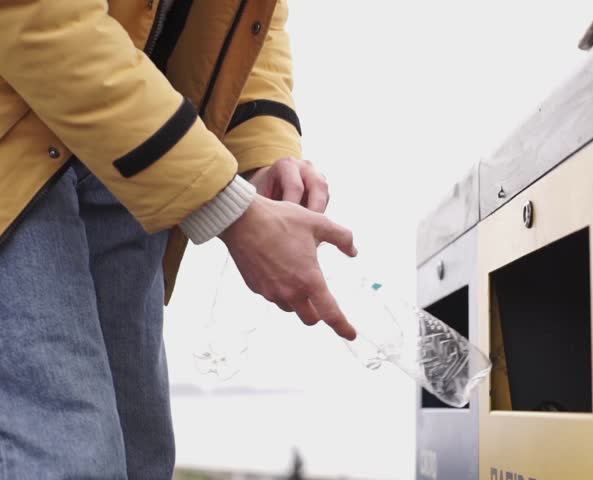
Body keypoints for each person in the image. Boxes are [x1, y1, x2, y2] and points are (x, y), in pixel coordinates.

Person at [0, 1, 355, 478]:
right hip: (20, 152)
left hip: (131, 160)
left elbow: (248, 22)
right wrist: (230, 209)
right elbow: (34, 14)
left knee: (140, 456)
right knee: (69, 454)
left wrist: (265, 153)